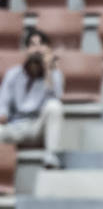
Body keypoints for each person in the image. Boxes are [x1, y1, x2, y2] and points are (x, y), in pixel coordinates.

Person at [0, 40, 64, 169]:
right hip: (14, 127)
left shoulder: (54, 74)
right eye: (33, 45)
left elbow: (57, 98)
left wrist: (48, 71)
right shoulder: (13, 74)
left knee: (54, 106)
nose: (37, 49)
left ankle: (51, 157)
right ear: (26, 50)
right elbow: (3, 106)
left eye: (41, 45)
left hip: (37, 127)